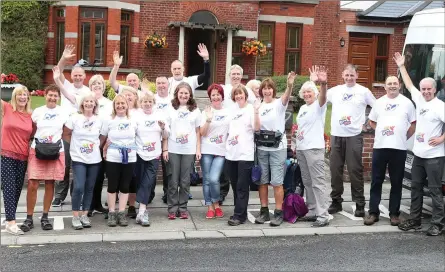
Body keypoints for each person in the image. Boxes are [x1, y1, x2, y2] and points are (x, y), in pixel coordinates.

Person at [394, 52, 445, 236]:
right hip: (419, 155)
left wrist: (441, 138)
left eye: (428, 89)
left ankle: (437, 224)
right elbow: (408, 84)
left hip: (434, 157)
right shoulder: (420, 100)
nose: (425, 92)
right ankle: (415, 220)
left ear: (435, 89)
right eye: (423, 89)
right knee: (415, 188)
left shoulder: (440, 106)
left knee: (434, 191)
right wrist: (401, 66)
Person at [52, 66, 111, 215]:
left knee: (96, 180)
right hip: (82, 149)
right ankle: (80, 208)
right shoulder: (84, 99)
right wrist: (57, 80)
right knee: (79, 180)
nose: (97, 87)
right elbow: (66, 94)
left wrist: (101, 145)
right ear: (89, 87)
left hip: (101, 147)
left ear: (104, 87)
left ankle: (94, 205)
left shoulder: (109, 103)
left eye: (100, 84)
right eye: (94, 85)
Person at [364, 75, 416, 227]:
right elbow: (372, 121)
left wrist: (403, 136)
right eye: (389, 84)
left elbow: (413, 123)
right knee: (376, 181)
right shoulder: (379, 103)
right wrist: (381, 131)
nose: (392, 86)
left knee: (396, 182)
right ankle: (373, 213)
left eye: (395, 83)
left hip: (399, 149)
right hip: (380, 147)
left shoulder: (407, 103)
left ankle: (394, 214)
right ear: (385, 87)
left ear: (399, 85)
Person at [327, 64, 376, 217]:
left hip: (354, 135)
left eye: (352, 75)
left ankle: (360, 204)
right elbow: (319, 99)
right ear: (343, 75)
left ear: (357, 75)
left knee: (355, 170)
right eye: (347, 75)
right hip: (336, 134)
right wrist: (318, 82)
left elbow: (377, 107)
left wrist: (368, 123)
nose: (349, 78)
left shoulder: (363, 91)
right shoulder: (335, 91)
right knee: (335, 170)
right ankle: (336, 201)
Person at [20, 84, 69, 232]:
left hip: (55, 151)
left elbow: (66, 132)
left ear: (59, 98)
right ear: (45, 95)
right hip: (38, 149)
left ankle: (45, 216)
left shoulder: (63, 113)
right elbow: (32, 130)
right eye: (50, 95)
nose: (52, 98)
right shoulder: (38, 112)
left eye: (55, 95)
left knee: (50, 183)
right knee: (32, 183)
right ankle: (29, 217)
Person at [53, 45, 91, 208]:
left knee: (78, 164)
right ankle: (59, 195)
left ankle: (76, 193)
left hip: (81, 133)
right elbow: (58, 70)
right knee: (64, 163)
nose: (77, 77)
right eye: (74, 75)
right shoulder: (66, 86)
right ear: (71, 76)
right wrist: (63, 57)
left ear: (84, 76)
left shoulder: (88, 91)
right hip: (65, 132)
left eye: (80, 75)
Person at [254, 73, 295, 227]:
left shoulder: (279, 104)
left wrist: (289, 85)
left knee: (277, 181)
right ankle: (264, 211)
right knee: (262, 181)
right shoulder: (258, 105)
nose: (267, 91)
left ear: (273, 90)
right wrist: (256, 110)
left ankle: (278, 212)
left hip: (278, 148)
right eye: (264, 88)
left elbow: (286, 97)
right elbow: (256, 127)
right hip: (262, 148)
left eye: (269, 88)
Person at [294, 66, 330, 227]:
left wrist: (322, 84)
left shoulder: (318, 106)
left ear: (315, 93)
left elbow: (323, 97)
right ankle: (313, 209)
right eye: (305, 92)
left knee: (318, 182)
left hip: (314, 149)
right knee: (307, 182)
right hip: (302, 148)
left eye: (310, 91)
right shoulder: (302, 108)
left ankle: (323, 215)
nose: (307, 94)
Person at [62, 94, 104, 229]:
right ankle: (75, 216)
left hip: (94, 159)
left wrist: (96, 146)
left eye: (92, 101)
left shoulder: (99, 120)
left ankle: (84, 214)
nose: (89, 103)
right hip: (78, 158)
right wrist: (76, 146)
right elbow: (66, 134)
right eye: (86, 101)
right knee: (79, 187)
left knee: (89, 188)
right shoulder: (75, 118)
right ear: (82, 104)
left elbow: (103, 136)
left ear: (95, 105)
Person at [165, 82, 201, 219]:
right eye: (181, 93)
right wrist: (166, 149)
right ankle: (172, 208)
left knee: (185, 181)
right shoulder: (170, 109)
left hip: (189, 150)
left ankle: (183, 207)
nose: (184, 95)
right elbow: (166, 131)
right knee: (173, 180)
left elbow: (198, 132)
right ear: (177, 94)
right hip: (174, 148)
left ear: (190, 95)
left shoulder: (195, 110)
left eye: (186, 93)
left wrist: (198, 149)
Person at [1, 86, 34, 235]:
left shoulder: (31, 115)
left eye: (25, 95)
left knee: (17, 189)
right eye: (19, 94)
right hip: (7, 154)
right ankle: (11, 222)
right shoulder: (7, 108)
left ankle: (10, 217)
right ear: (14, 96)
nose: (22, 97)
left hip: (23, 156)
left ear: (28, 98)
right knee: (9, 188)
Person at [226, 85, 261, 226]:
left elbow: (257, 128)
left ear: (245, 95)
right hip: (231, 153)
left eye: (241, 94)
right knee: (234, 185)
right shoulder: (232, 110)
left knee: (242, 185)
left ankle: (239, 216)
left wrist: (257, 112)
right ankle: (240, 211)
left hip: (245, 154)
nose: (239, 96)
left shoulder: (251, 109)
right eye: (236, 94)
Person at [101, 94, 137, 227]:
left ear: (127, 105)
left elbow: (139, 136)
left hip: (130, 156)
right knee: (112, 185)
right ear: (114, 106)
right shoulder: (109, 120)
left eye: (123, 103)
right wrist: (104, 149)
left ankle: (121, 213)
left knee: (125, 185)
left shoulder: (133, 120)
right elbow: (103, 137)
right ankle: (111, 212)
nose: (120, 106)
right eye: (118, 104)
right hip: (113, 157)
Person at [134, 92, 169, 226]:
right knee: (140, 182)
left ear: (153, 103)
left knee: (148, 182)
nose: (147, 104)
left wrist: (163, 127)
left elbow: (166, 135)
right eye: (145, 102)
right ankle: (139, 210)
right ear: (141, 103)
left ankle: (142, 211)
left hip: (154, 155)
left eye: (150, 102)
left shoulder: (159, 115)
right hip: (139, 154)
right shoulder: (136, 116)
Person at [200, 84, 230, 219]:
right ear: (210, 97)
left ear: (222, 96)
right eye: (213, 95)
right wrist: (208, 119)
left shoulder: (228, 112)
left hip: (221, 151)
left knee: (214, 179)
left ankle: (216, 202)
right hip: (206, 149)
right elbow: (202, 133)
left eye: (218, 94)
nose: (216, 97)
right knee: (206, 179)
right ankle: (210, 206)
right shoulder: (205, 112)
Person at [153, 76, 172, 204]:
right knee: (152, 168)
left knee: (167, 168)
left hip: (168, 137)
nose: (161, 85)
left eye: (163, 83)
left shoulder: (173, 100)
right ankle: (149, 193)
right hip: (153, 137)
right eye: (158, 83)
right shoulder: (152, 99)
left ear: (168, 84)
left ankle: (167, 193)